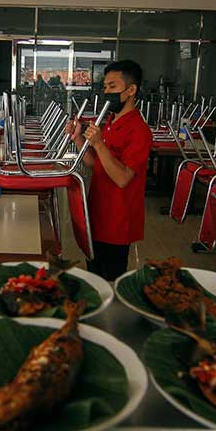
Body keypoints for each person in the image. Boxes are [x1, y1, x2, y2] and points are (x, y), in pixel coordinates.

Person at [65, 60, 153, 281]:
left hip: (117, 222)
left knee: (110, 280)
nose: (106, 92)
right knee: (94, 276)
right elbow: (97, 164)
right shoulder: (111, 121)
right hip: (97, 212)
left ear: (131, 90)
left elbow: (123, 178)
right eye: (105, 87)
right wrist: (78, 140)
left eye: (112, 87)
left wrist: (99, 144)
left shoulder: (139, 131)